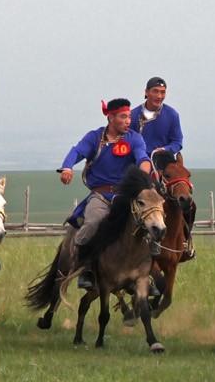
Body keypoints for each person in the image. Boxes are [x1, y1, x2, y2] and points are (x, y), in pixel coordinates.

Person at [59, 98, 153, 291]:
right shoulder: (95, 137)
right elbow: (77, 152)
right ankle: (85, 266)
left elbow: (142, 157)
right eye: (123, 117)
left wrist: (143, 176)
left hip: (125, 197)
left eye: (129, 117)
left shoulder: (134, 138)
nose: (128, 120)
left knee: (148, 222)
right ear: (110, 118)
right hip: (100, 196)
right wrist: (67, 167)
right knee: (93, 222)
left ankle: (148, 274)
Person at [130, 76, 184, 161]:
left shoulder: (172, 115)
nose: (159, 96)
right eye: (155, 91)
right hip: (137, 162)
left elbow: (177, 142)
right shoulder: (132, 115)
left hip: (162, 163)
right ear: (146, 92)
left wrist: (164, 150)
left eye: (163, 92)